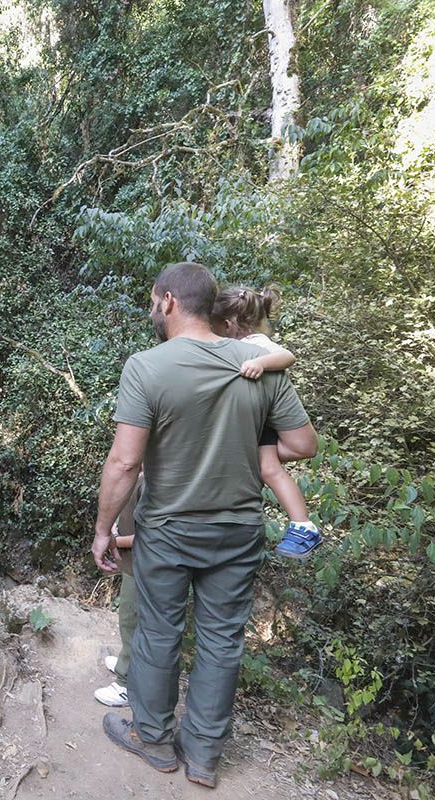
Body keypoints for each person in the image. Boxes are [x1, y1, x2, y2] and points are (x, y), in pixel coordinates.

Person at [92, 262, 317, 789]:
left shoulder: (147, 367)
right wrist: (249, 452)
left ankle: (153, 738)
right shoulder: (258, 361)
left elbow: (125, 464)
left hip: (169, 529)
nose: (153, 309)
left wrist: (104, 530)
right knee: (222, 640)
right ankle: (204, 754)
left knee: (158, 633)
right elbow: (303, 445)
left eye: (154, 301)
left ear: (168, 301)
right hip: (238, 530)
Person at [212, 284, 321, 558]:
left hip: (265, 420)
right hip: (257, 422)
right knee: (266, 469)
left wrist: (261, 364)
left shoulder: (255, 344)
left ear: (227, 324)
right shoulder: (236, 345)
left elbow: (288, 356)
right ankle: (301, 524)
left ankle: (304, 525)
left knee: (270, 471)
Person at [95, 476, 141, 708]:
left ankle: (125, 685)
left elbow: (150, 534)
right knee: (127, 620)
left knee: (132, 622)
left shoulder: (154, 479)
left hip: (143, 567)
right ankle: (126, 661)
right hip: (133, 565)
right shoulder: (142, 476)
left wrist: (114, 540)